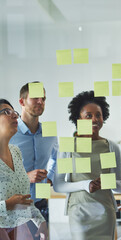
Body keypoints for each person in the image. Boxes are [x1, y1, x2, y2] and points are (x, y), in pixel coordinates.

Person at [53, 91, 121, 240]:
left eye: (98, 115)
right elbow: (59, 185)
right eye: (88, 115)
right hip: (79, 213)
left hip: (105, 212)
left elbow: (120, 186)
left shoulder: (111, 147)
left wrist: (103, 182)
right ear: (78, 119)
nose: (95, 119)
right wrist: (86, 184)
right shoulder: (68, 146)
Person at [10, 82, 58, 227]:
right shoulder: (9, 132)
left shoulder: (50, 132)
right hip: (15, 202)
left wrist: (50, 178)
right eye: (35, 98)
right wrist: (26, 177)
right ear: (21, 101)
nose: (40, 102)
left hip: (40, 202)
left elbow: (57, 158)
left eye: (43, 99)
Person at [0, 99, 48, 240]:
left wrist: (40, 221)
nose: (15, 115)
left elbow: (23, 198)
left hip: (19, 227)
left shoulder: (15, 151)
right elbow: (14, 202)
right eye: (5, 112)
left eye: (14, 112)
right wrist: (7, 205)